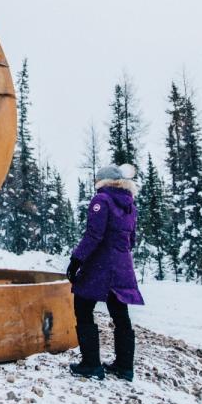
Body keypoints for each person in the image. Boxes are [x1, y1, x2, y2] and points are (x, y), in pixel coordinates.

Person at [66, 163, 144, 381]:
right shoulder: (129, 203)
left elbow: (94, 234)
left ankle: (91, 364)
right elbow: (132, 239)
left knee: (82, 306)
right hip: (123, 264)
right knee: (120, 314)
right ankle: (124, 366)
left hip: (101, 264)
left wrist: (76, 259)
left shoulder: (101, 200)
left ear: (102, 181)